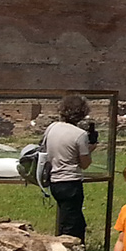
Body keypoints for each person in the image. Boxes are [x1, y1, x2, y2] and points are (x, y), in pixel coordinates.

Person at [40, 94, 95, 243]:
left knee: (70, 220)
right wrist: (91, 148)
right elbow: (84, 164)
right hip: (71, 182)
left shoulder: (52, 128)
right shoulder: (80, 135)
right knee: (71, 226)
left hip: (54, 181)